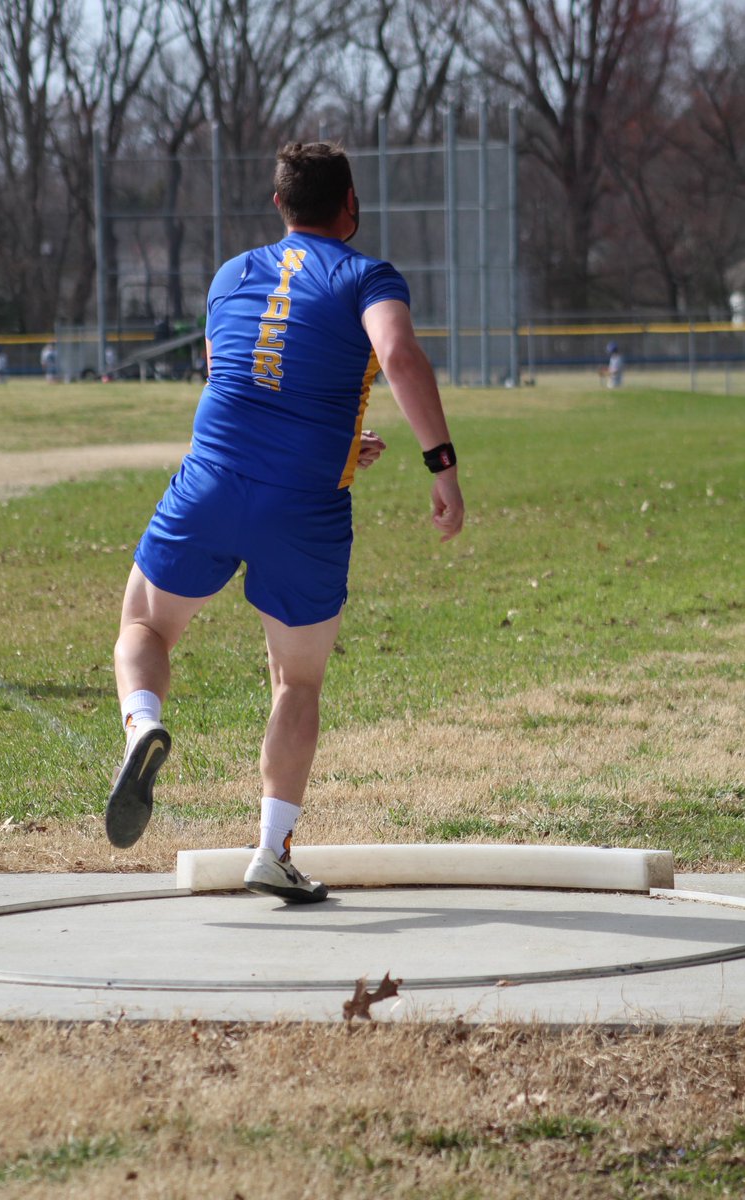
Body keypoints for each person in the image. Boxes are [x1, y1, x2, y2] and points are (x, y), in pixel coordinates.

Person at [105, 141, 464, 903]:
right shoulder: (368, 275)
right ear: (351, 205)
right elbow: (396, 354)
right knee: (295, 680)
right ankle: (271, 848)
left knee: (145, 623)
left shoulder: (230, 273)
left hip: (212, 480)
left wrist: (332, 441)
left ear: (279, 205)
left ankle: (141, 729)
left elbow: (243, 377)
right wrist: (441, 465)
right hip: (305, 505)